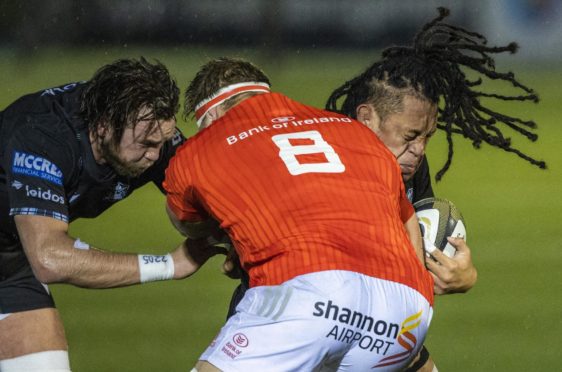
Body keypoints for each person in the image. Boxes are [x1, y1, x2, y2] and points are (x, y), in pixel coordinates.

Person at [164, 56, 434, 371]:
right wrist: (418, 302)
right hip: (406, 311)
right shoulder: (352, 129)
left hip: (309, 296)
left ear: (211, 115)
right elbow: (406, 218)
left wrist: (229, 238)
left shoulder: (199, 149)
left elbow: (188, 223)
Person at [325, 7, 545, 371]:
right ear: (366, 118)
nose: (420, 150)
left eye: (428, 136)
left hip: (366, 325)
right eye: (410, 136)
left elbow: (406, 262)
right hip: (297, 323)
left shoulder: (407, 165)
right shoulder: (325, 163)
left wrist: (460, 274)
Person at [0, 58, 223, 371]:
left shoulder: (143, 130)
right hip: (30, 253)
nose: (155, 156)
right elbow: (49, 257)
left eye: (162, 143)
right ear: (103, 126)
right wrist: (169, 265)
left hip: (11, 262)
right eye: (147, 144)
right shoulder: (43, 136)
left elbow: (214, 199)